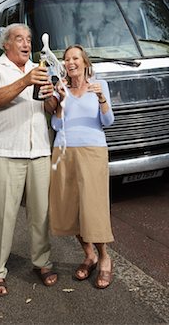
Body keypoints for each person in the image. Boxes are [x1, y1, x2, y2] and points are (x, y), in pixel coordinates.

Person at [0, 23, 58, 297]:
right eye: (19, 39)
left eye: (29, 39)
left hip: (39, 152)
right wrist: (25, 81)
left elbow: (48, 110)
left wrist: (50, 99)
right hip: (6, 152)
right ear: (6, 44)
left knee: (41, 214)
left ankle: (42, 262)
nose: (26, 44)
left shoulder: (40, 69)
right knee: (3, 215)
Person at [49, 44, 115, 289]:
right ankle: (89, 255)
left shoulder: (100, 85)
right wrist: (61, 100)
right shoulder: (62, 89)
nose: (70, 62)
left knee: (92, 207)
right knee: (70, 207)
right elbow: (56, 125)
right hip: (64, 151)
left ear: (85, 63)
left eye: (75, 58)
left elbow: (108, 121)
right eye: (66, 59)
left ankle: (105, 259)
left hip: (92, 151)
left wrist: (101, 98)